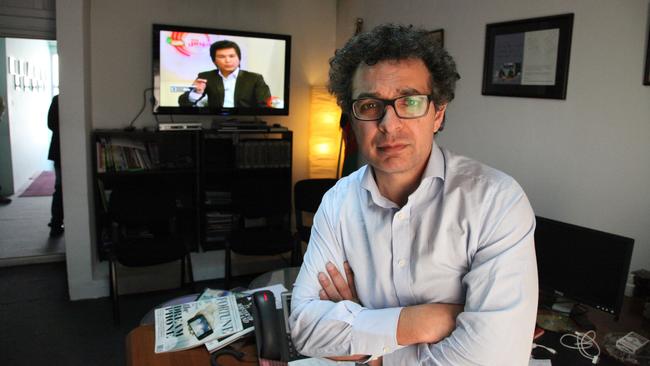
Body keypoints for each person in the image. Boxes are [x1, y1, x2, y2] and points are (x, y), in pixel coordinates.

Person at [289, 24, 538, 365]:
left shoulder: (496, 200)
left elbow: (494, 358)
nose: (389, 124)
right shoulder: (337, 202)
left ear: (438, 113)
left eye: (410, 101)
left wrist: (372, 350)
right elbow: (305, 329)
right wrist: (428, 319)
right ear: (352, 117)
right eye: (369, 105)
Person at [177, 40, 271, 109]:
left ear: (239, 58)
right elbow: (183, 103)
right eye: (222, 57)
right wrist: (196, 93)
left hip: (244, 121)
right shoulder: (206, 77)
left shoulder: (254, 78)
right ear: (214, 60)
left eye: (232, 56)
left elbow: (265, 105)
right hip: (214, 120)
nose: (228, 60)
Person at [47, 95, 64, 237]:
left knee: (60, 188)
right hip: (60, 150)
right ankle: (56, 223)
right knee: (60, 188)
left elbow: (51, 124)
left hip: (58, 150)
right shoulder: (58, 99)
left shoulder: (57, 99)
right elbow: (51, 124)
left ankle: (56, 224)